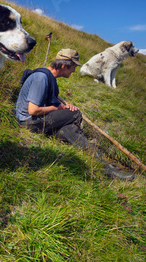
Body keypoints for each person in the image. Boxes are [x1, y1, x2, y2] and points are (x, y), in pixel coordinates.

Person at [15, 49, 134, 180]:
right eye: (73, 67)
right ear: (64, 66)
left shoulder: (50, 78)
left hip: (37, 119)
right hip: (28, 121)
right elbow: (33, 110)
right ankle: (105, 168)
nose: (74, 71)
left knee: (68, 129)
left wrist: (64, 108)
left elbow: (48, 103)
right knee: (75, 114)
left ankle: (103, 166)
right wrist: (57, 109)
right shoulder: (41, 78)